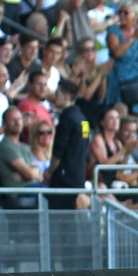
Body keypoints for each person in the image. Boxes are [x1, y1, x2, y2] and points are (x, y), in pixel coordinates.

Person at [46, 79, 91, 209]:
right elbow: (85, 144)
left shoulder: (66, 119)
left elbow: (58, 152)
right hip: (78, 177)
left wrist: (49, 172)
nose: (55, 97)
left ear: (66, 97)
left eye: (58, 94)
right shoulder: (84, 120)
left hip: (64, 180)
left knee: (58, 222)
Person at [0, 107, 44, 209]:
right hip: (20, 192)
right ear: (4, 125)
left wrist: (25, 175)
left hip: (34, 188)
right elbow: (29, 174)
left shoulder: (25, 147)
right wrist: (31, 174)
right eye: (13, 120)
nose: (17, 122)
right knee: (59, 196)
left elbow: (39, 174)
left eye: (19, 119)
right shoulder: (5, 145)